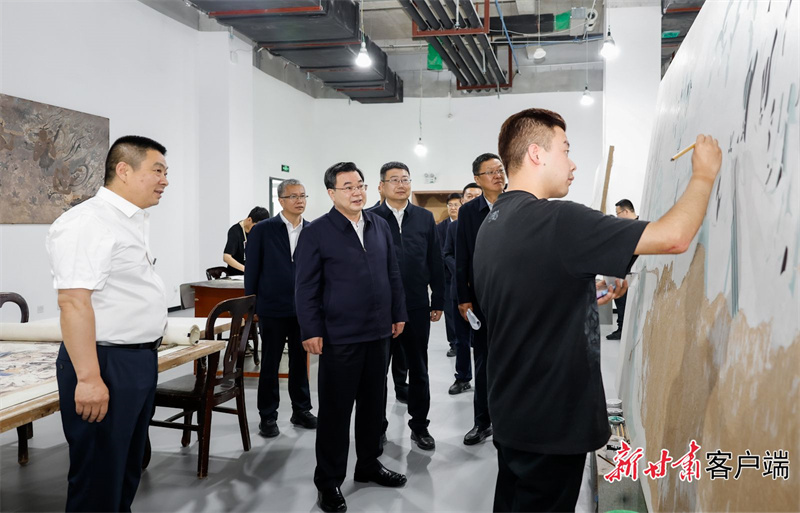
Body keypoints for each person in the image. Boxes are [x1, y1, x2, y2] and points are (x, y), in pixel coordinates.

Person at [473, 108, 722, 512]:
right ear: (536, 153)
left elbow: (527, 289)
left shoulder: (495, 222)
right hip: (552, 421)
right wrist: (704, 175)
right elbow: (674, 237)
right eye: (565, 150)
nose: (572, 164)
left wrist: (584, 285)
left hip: (513, 410)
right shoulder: (558, 220)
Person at [46, 135, 170, 512]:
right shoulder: (88, 222)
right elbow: (73, 302)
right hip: (105, 363)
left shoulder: (129, 221)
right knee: (98, 479)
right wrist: (88, 379)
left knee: (126, 469)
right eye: (157, 171)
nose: (165, 180)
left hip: (137, 360)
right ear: (123, 170)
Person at [295, 162, 409, 513]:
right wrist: (311, 329)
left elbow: (392, 272)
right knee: (336, 412)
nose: (357, 192)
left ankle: (368, 465)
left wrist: (398, 312)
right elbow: (305, 286)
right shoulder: (317, 232)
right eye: (348, 187)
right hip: (339, 336)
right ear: (331, 193)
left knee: (374, 406)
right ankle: (328, 481)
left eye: (360, 185)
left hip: (379, 332)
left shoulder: (378, 225)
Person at [371, 161, 445, 451]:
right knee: (377, 372)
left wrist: (438, 298)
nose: (401, 185)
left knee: (419, 368)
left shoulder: (424, 217)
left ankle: (420, 426)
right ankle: (377, 428)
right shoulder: (370, 218)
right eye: (394, 180)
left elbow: (435, 259)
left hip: (416, 304)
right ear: (382, 186)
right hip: (381, 308)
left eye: (405, 179)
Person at [244, 179, 316, 439]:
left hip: (303, 309)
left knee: (300, 362)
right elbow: (252, 270)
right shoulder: (263, 230)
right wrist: (252, 305)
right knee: (270, 363)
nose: (299, 200)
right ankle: (267, 415)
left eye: (303, 196)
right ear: (281, 200)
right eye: (293, 196)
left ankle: (301, 410)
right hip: (272, 307)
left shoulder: (312, 230)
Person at [455, 155, 505, 446]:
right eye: (490, 172)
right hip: (482, 297)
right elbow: (462, 255)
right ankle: (482, 422)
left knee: (515, 359)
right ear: (477, 178)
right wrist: (464, 298)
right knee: (484, 361)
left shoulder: (517, 202)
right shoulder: (469, 212)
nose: (498, 175)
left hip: (516, 296)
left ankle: (510, 422)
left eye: (500, 170)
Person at [443, 182, 483, 394]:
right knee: (461, 339)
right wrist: (463, 274)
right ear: (463, 200)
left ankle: (486, 379)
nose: (473, 199)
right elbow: (447, 254)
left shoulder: (490, 223)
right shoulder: (454, 226)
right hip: (459, 290)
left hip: (483, 291)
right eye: (469, 196)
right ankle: (463, 377)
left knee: (484, 340)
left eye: (477, 196)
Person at [607, 199, 639, 340]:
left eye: (618, 213)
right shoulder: (626, 227)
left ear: (626, 211)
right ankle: (621, 329)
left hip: (630, 272)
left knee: (623, 301)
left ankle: (623, 330)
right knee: (620, 301)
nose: (617, 216)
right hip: (621, 271)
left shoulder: (639, 227)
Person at [436, 192, 462, 358]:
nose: (453, 208)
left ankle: (470, 341)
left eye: (456, 205)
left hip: (468, 277)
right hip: (447, 276)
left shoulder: (467, 224)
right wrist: (456, 270)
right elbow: (441, 253)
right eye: (450, 205)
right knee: (450, 313)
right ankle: (453, 343)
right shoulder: (440, 228)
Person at [223, 206, 270, 276]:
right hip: (237, 276)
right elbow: (226, 257)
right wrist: (247, 269)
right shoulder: (235, 231)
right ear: (249, 219)